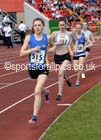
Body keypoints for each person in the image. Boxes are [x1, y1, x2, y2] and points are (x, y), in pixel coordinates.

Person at [20, 18, 55, 124]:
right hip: (32, 68)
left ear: (43, 26)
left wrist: (50, 50)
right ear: (33, 27)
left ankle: (34, 116)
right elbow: (21, 53)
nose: (37, 27)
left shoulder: (47, 37)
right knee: (38, 88)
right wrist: (32, 49)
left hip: (44, 67)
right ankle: (47, 92)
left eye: (39, 25)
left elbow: (53, 46)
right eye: (35, 25)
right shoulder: (28, 38)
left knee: (36, 91)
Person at [50, 18, 73, 100]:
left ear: (65, 25)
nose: (62, 26)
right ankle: (66, 78)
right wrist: (56, 43)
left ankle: (59, 93)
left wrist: (72, 51)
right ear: (58, 26)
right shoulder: (55, 33)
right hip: (57, 55)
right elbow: (49, 42)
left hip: (66, 55)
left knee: (60, 73)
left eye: (63, 25)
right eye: (60, 25)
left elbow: (72, 43)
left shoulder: (69, 34)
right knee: (62, 72)